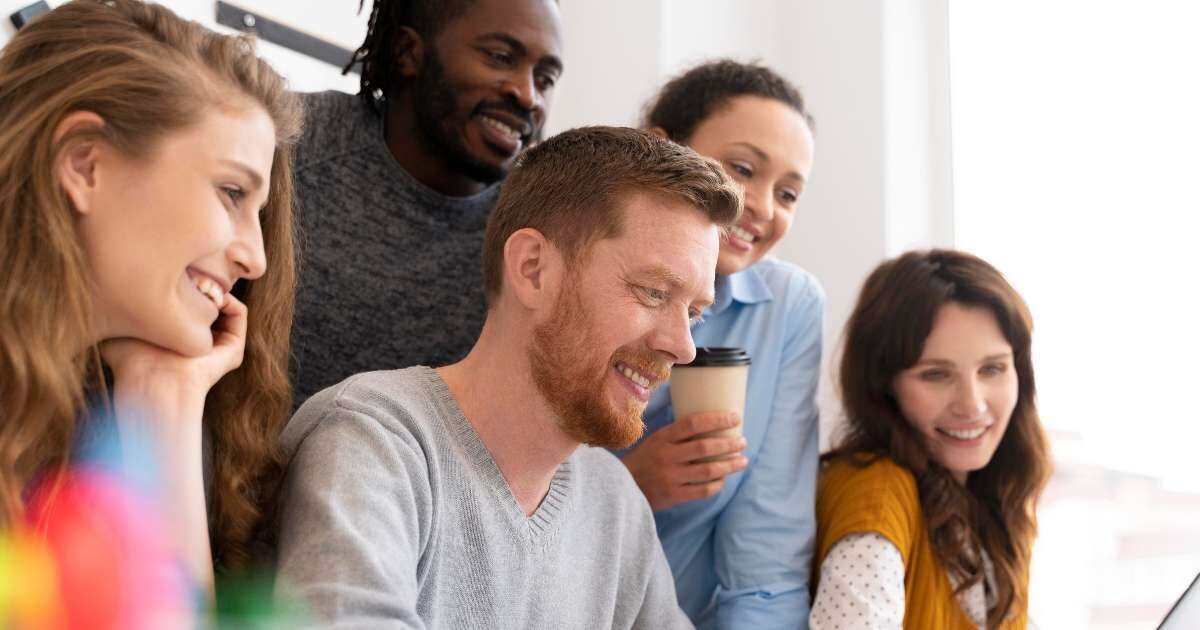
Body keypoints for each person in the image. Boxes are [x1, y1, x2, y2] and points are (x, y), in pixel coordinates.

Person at [273, 126, 741, 628]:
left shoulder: (614, 501)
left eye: (694, 312)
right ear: (534, 268)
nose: (683, 345)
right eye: (652, 292)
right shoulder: (373, 442)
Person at [0, 0, 301, 593]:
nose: (255, 258)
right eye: (231, 192)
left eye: (258, 213)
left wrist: (165, 398)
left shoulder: (109, 416)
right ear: (85, 164)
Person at [617, 59, 822, 628]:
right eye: (741, 168)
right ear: (658, 147)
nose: (760, 205)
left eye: (788, 193)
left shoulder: (788, 306)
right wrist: (626, 487)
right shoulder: (579, 277)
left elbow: (768, 551)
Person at [289, 0, 564, 406]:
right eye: (500, 57)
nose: (527, 96)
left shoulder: (539, 229)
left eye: (544, 79)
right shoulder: (289, 146)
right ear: (407, 52)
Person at [810, 249, 1051, 629]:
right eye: (936, 375)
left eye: (992, 369)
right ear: (883, 385)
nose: (972, 405)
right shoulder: (876, 492)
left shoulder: (996, 499)